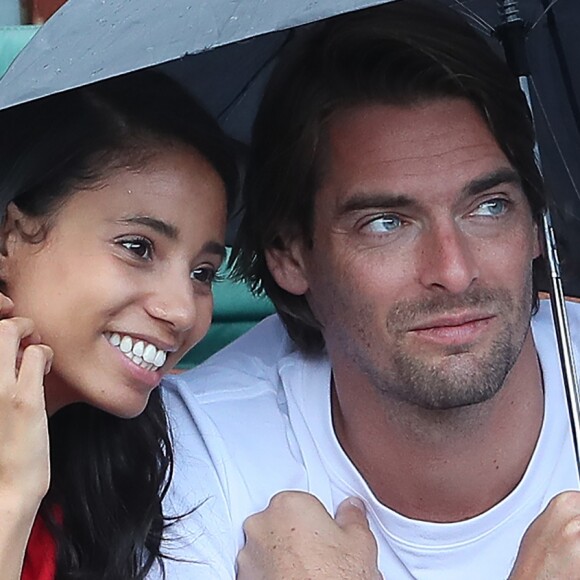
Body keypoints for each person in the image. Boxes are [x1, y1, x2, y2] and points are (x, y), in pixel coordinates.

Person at [158, 1, 580, 579]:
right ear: (289, 254)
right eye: (386, 223)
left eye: (488, 207)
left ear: (537, 227)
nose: (454, 271)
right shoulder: (198, 447)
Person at [0, 69, 239, 580]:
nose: (181, 311)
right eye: (138, 247)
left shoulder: (96, 464)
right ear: (9, 237)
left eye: (203, 273)